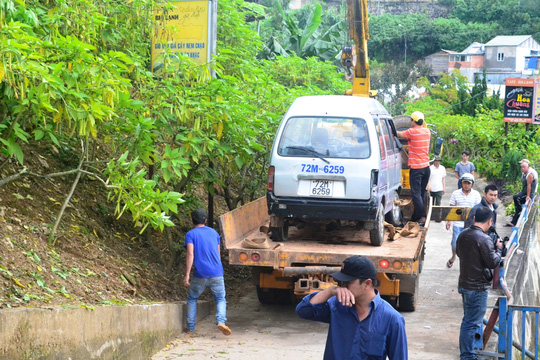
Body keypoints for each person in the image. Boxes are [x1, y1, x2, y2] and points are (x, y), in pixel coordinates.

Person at [296, 255, 408, 360]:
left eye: (347, 283)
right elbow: (303, 310)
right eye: (341, 282)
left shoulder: (392, 319)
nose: (342, 287)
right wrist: (330, 291)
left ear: (367, 284)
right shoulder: (336, 306)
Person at [456, 206, 503, 360]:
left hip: (465, 284)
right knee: (471, 323)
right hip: (477, 288)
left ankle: (468, 353)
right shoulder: (484, 239)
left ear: (475, 219)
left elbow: (459, 252)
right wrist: (499, 249)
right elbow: (493, 262)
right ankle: (468, 356)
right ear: (490, 221)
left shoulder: (463, 234)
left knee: (468, 320)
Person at [184, 209, 231, 336]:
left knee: (192, 298)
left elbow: (190, 254)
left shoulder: (191, 234)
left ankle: (190, 328)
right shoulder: (214, 233)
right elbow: (218, 253)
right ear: (205, 220)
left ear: (192, 220)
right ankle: (221, 321)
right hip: (217, 272)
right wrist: (218, 269)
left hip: (200, 273)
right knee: (221, 299)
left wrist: (187, 274)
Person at [398, 111, 431, 225]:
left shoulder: (411, 132)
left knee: (415, 194)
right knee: (420, 193)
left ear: (413, 121)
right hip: (426, 168)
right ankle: (416, 216)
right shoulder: (427, 131)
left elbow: (399, 135)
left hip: (416, 169)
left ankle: (421, 217)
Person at [445, 173, 481, 268]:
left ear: (472, 184)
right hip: (458, 223)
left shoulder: (476, 194)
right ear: (461, 183)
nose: (466, 185)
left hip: (471, 224)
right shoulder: (455, 193)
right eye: (464, 183)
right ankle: (453, 257)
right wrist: (449, 221)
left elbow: (478, 209)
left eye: (468, 183)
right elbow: (451, 208)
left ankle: (466, 263)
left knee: (470, 245)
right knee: (454, 244)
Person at [506, 159, 538, 227]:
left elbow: (529, 185)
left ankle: (519, 212)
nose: (522, 168)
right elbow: (524, 184)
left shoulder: (530, 174)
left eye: (524, 167)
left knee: (516, 198)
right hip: (524, 191)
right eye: (521, 167)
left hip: (529, 192)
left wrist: (528, 196)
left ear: (527, 167)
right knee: (517, 200)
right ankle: (517, 216)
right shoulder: (524, 173)